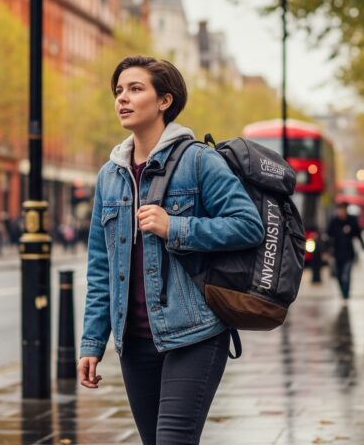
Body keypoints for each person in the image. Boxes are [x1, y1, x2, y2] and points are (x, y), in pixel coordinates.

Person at [78, 56, 264, 444]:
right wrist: (93, 343)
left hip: (195, 332)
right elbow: (101, 267)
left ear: (165, 101)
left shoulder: (199, 161)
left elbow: (249, 225)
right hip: (135, 342)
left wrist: (174, 227)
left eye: (135, 89)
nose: (122, 99)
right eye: (118, 91)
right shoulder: (110, 176)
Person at [326, 202, 364, 301]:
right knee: (339, 275)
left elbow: (358, 235)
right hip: (337, 253)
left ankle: (346, 294)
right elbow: (327, 236)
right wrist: (326, 251)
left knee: (346, 274)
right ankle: (343, 293)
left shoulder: (352, 221)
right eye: (339, 210)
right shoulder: (334, 222)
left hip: (349, 254)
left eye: (343, 210)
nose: (341, 212)